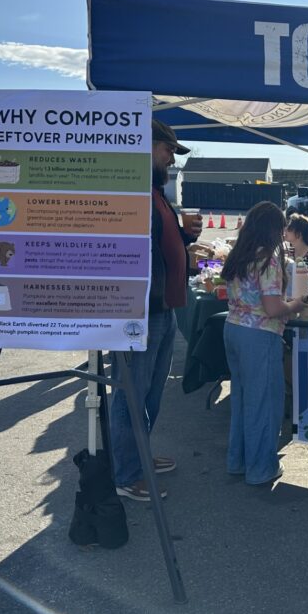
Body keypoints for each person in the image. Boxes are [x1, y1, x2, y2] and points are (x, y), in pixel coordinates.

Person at [110, 120, 198, 501]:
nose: (170, 160)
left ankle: (139, 455)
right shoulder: (132, 194)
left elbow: (163, 243)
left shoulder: (155, 193)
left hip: (164, 309)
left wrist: (186, 237)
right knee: (131, 395)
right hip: (141, 313)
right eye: (167, 151)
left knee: (150, 394)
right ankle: (127, 473)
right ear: (147, 147)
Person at [222, 201, 308, 485]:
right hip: (259, 336)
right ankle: (261, 468)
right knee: (263, 403)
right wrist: (297, 303)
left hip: (233, 330)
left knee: (242, 400)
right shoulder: (269, 260)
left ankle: (238, 461)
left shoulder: (239, 256)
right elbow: (273, 308)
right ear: (274, 229)